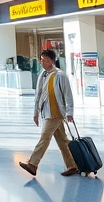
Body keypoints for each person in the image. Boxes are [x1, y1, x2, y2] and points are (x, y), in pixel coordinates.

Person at [19, 49, 77, 177]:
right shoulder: (43, 75)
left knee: (45, 137)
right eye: (41, 60)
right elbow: (38, 94)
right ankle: (73, 165)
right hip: (47, 112)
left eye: (45, 60)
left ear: (51, 61)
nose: (42, 62)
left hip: (56, 113)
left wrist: (69, 111)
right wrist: (36, 113)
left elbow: (68, 95)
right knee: (63, 140)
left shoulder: (60, 75)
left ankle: (33, 164)